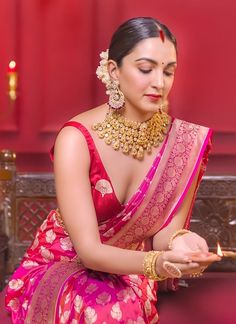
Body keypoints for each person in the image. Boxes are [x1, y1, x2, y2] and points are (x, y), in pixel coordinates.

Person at [5, 17, 220, 323]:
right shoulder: (76, 139)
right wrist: (157, 263)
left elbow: (164, 236)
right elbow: (89, 251)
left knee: (117, 309)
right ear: (113, 71)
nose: (159, 82)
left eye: (168, 71)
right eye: (146, 69)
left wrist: (181, 243)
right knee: (99, 311)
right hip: (64, 262)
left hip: (130, 268)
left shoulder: (183, 143)